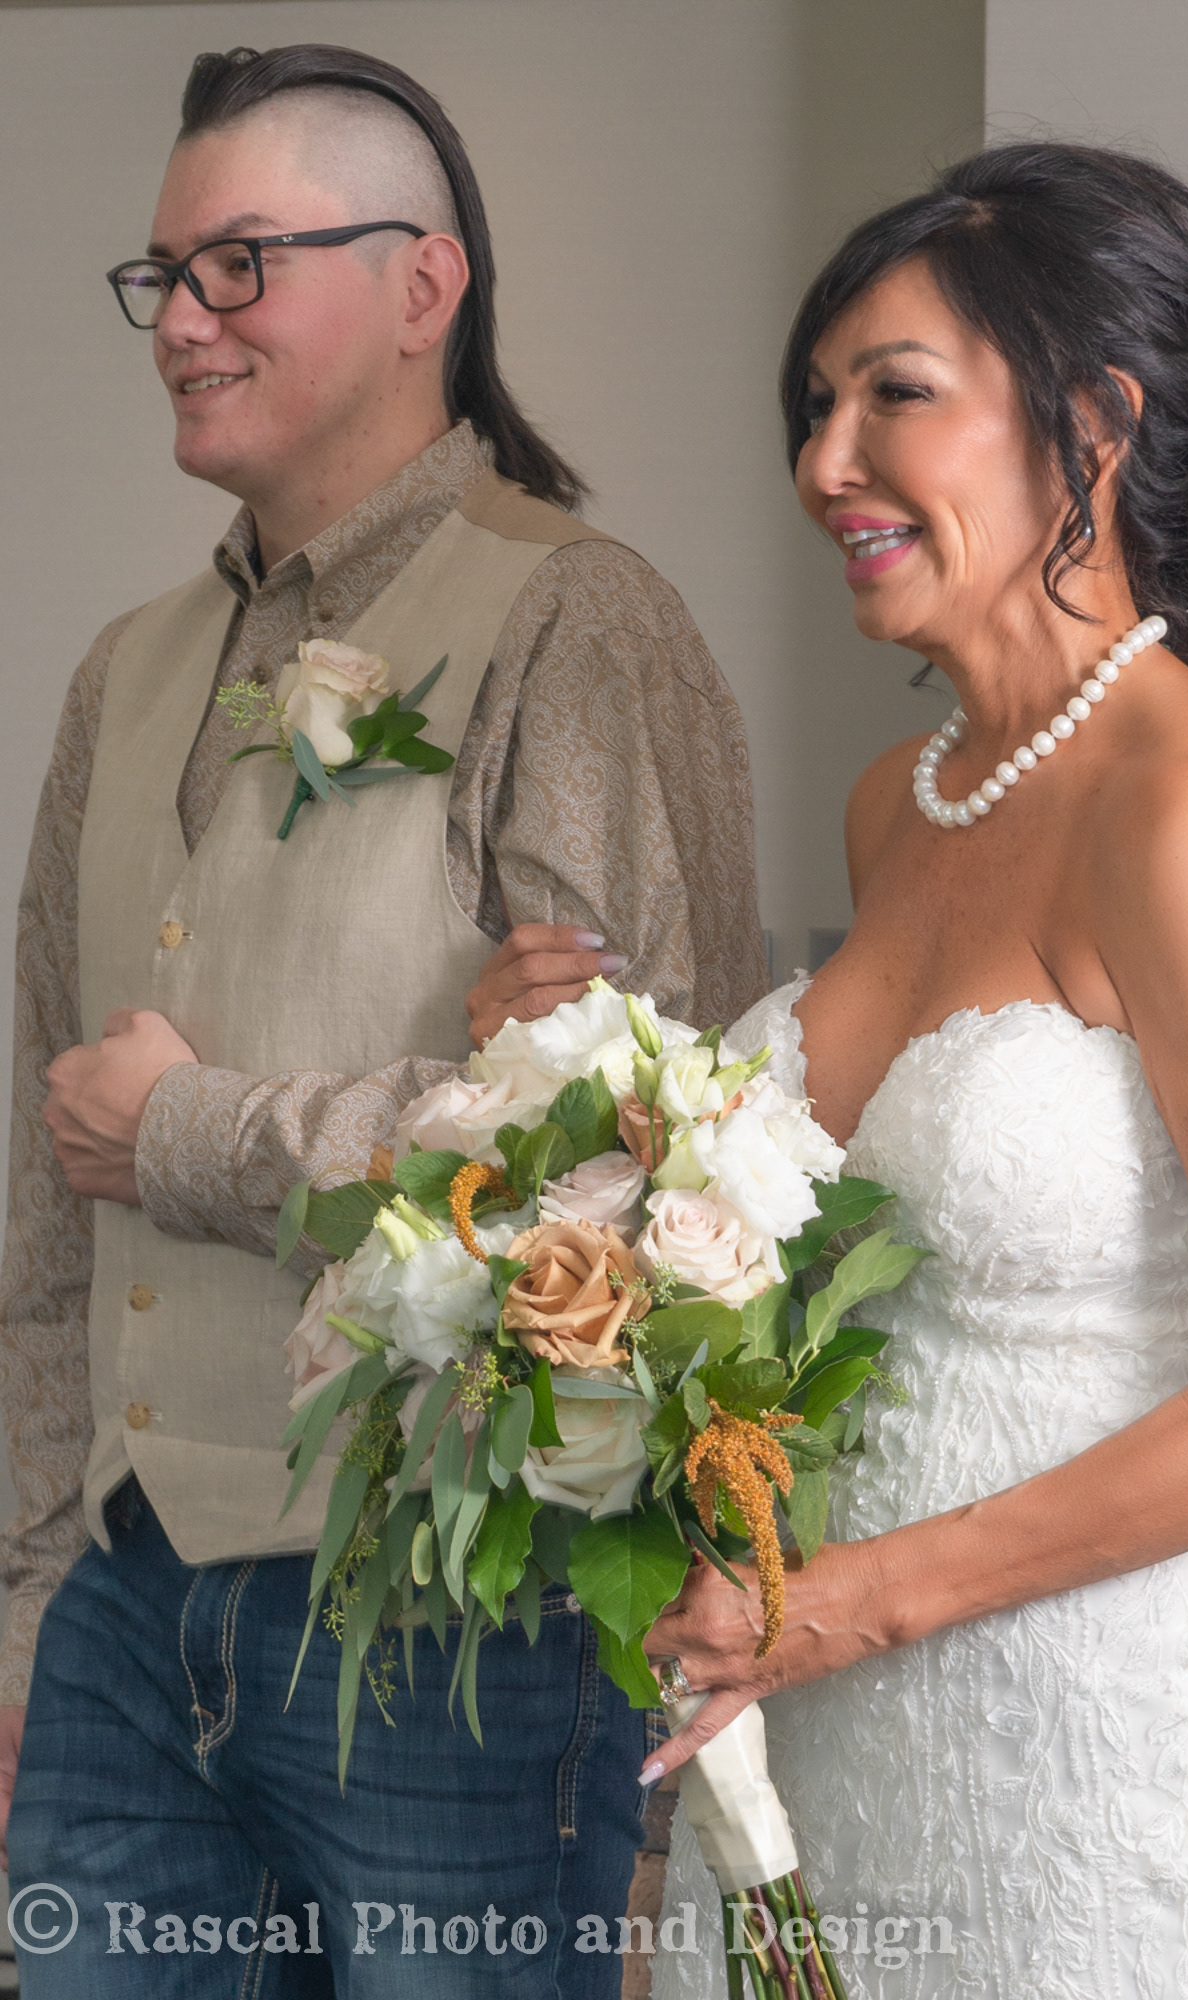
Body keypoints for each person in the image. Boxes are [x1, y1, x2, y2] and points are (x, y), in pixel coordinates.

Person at [467, 143, 1188, 1997]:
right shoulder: (911, 800)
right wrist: (579, 1114)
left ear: (1096, 424)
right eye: (817, 406)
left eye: (896, 395)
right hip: (815, 1744)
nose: (825, 467)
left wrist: (845, 1607)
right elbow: (858, 1258)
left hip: (1069, 1757)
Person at [0, 40, 767, 1997]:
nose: (180, 319)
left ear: (422, 286)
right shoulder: (120, 674)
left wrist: (197, 1133)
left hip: (449, 1627)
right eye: (162, 276)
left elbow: (643, 1165)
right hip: (120, 1593)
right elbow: (37, 1171)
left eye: (238, 265)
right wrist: (28, 1591)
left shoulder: (576, 622)